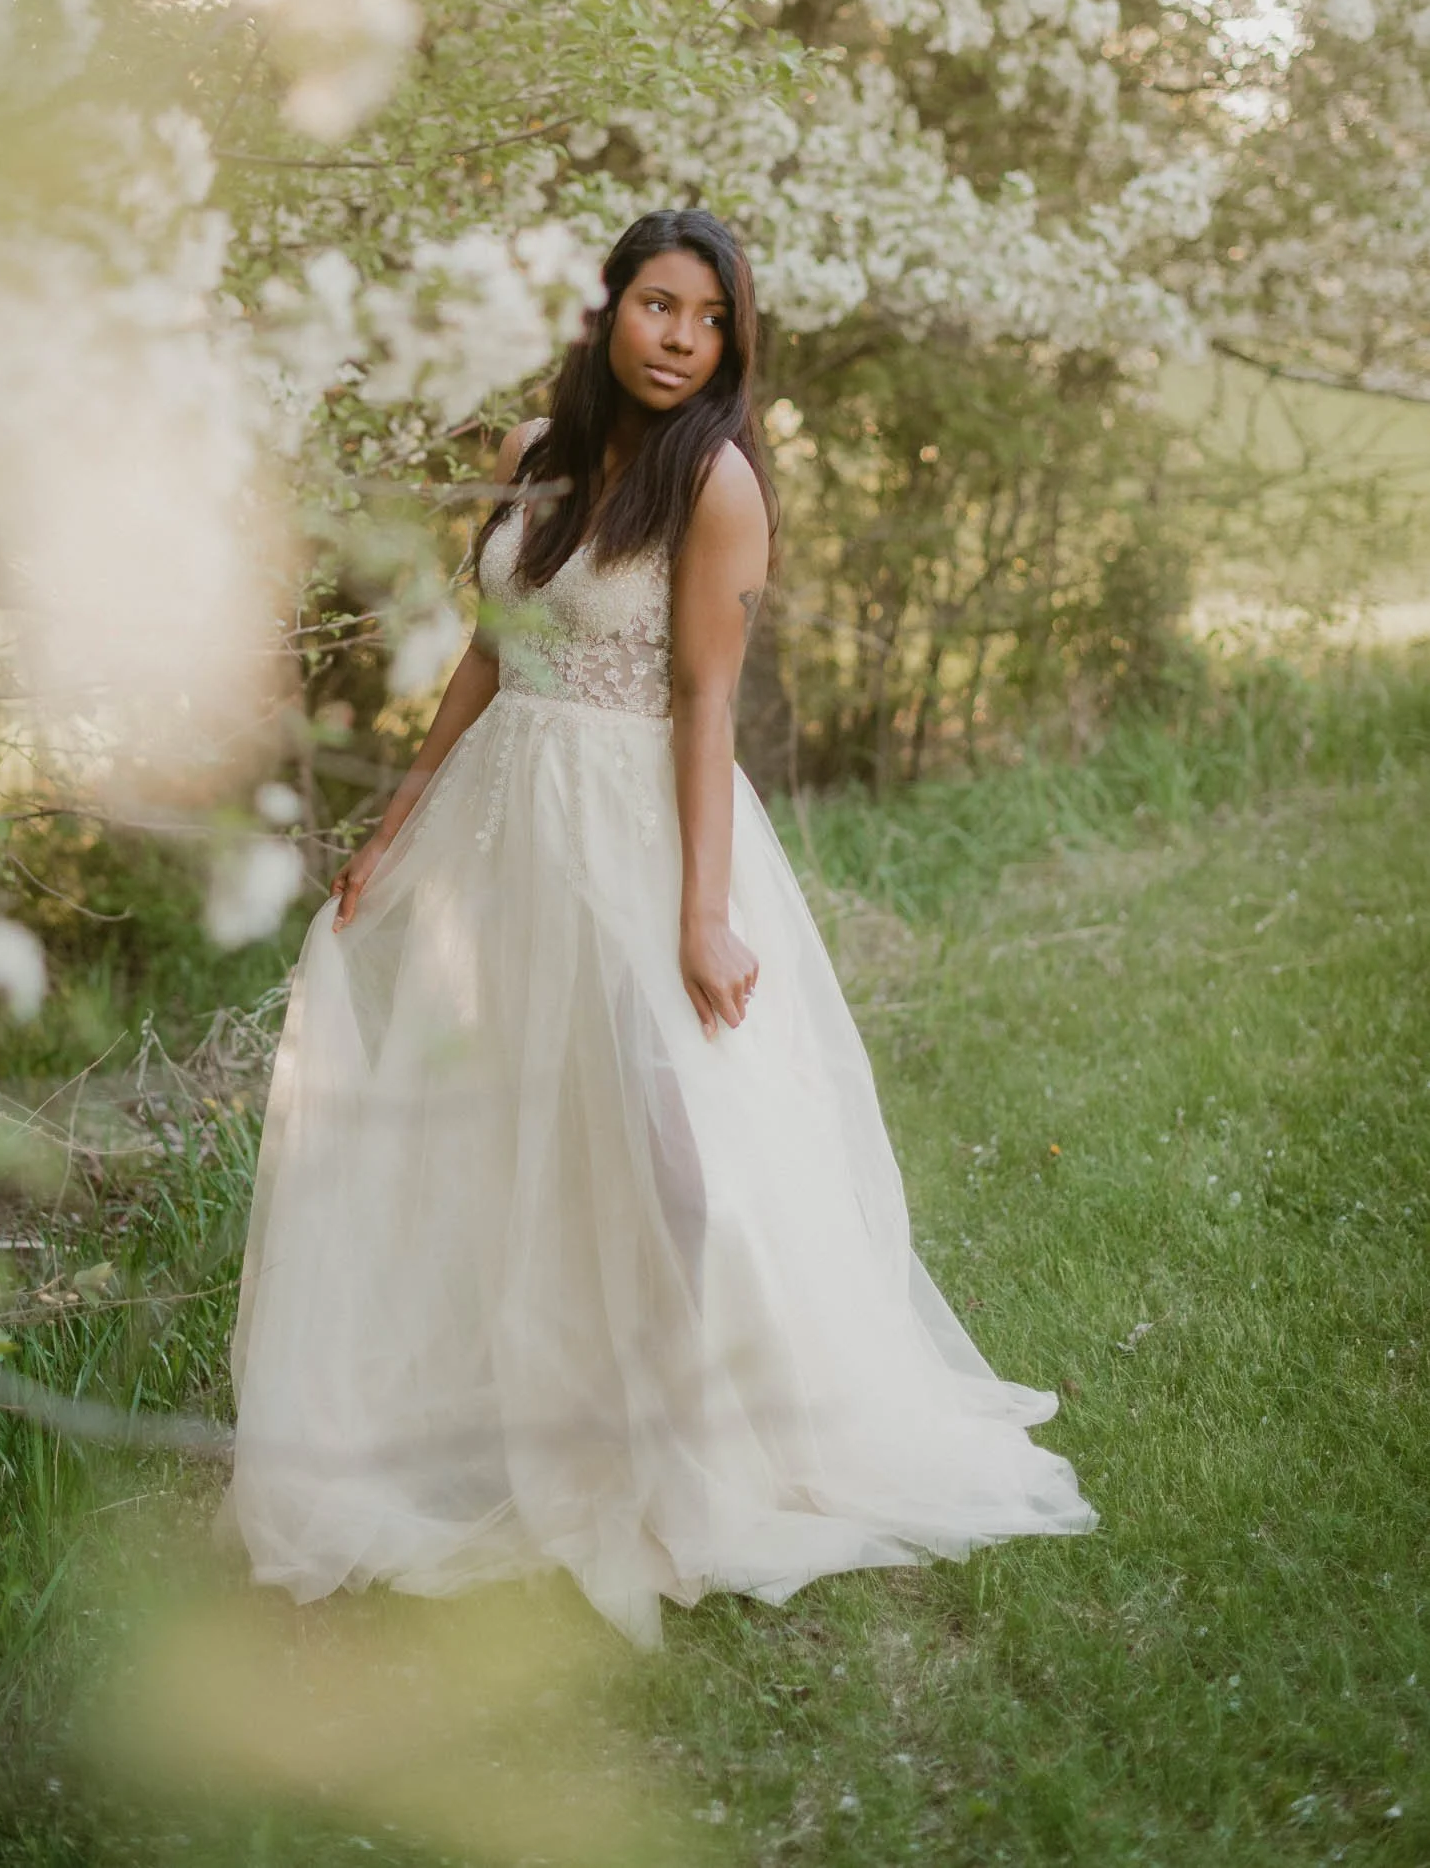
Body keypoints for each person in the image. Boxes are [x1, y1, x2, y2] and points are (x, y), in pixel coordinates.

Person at [217, 209, 1095, 1647]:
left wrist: (701, 914)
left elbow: (703, 704)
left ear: (731, 346)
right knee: (504, 1113)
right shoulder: (530, 457)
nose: (679, 340)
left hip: (631, 828)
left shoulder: (718, 486)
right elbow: (489, 661)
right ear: (605, 310)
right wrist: (392, 825)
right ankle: (533, 1401)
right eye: (658, 307)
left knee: (671, 1126)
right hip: (500, 826)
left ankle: (713, 1428)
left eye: (708, 322)